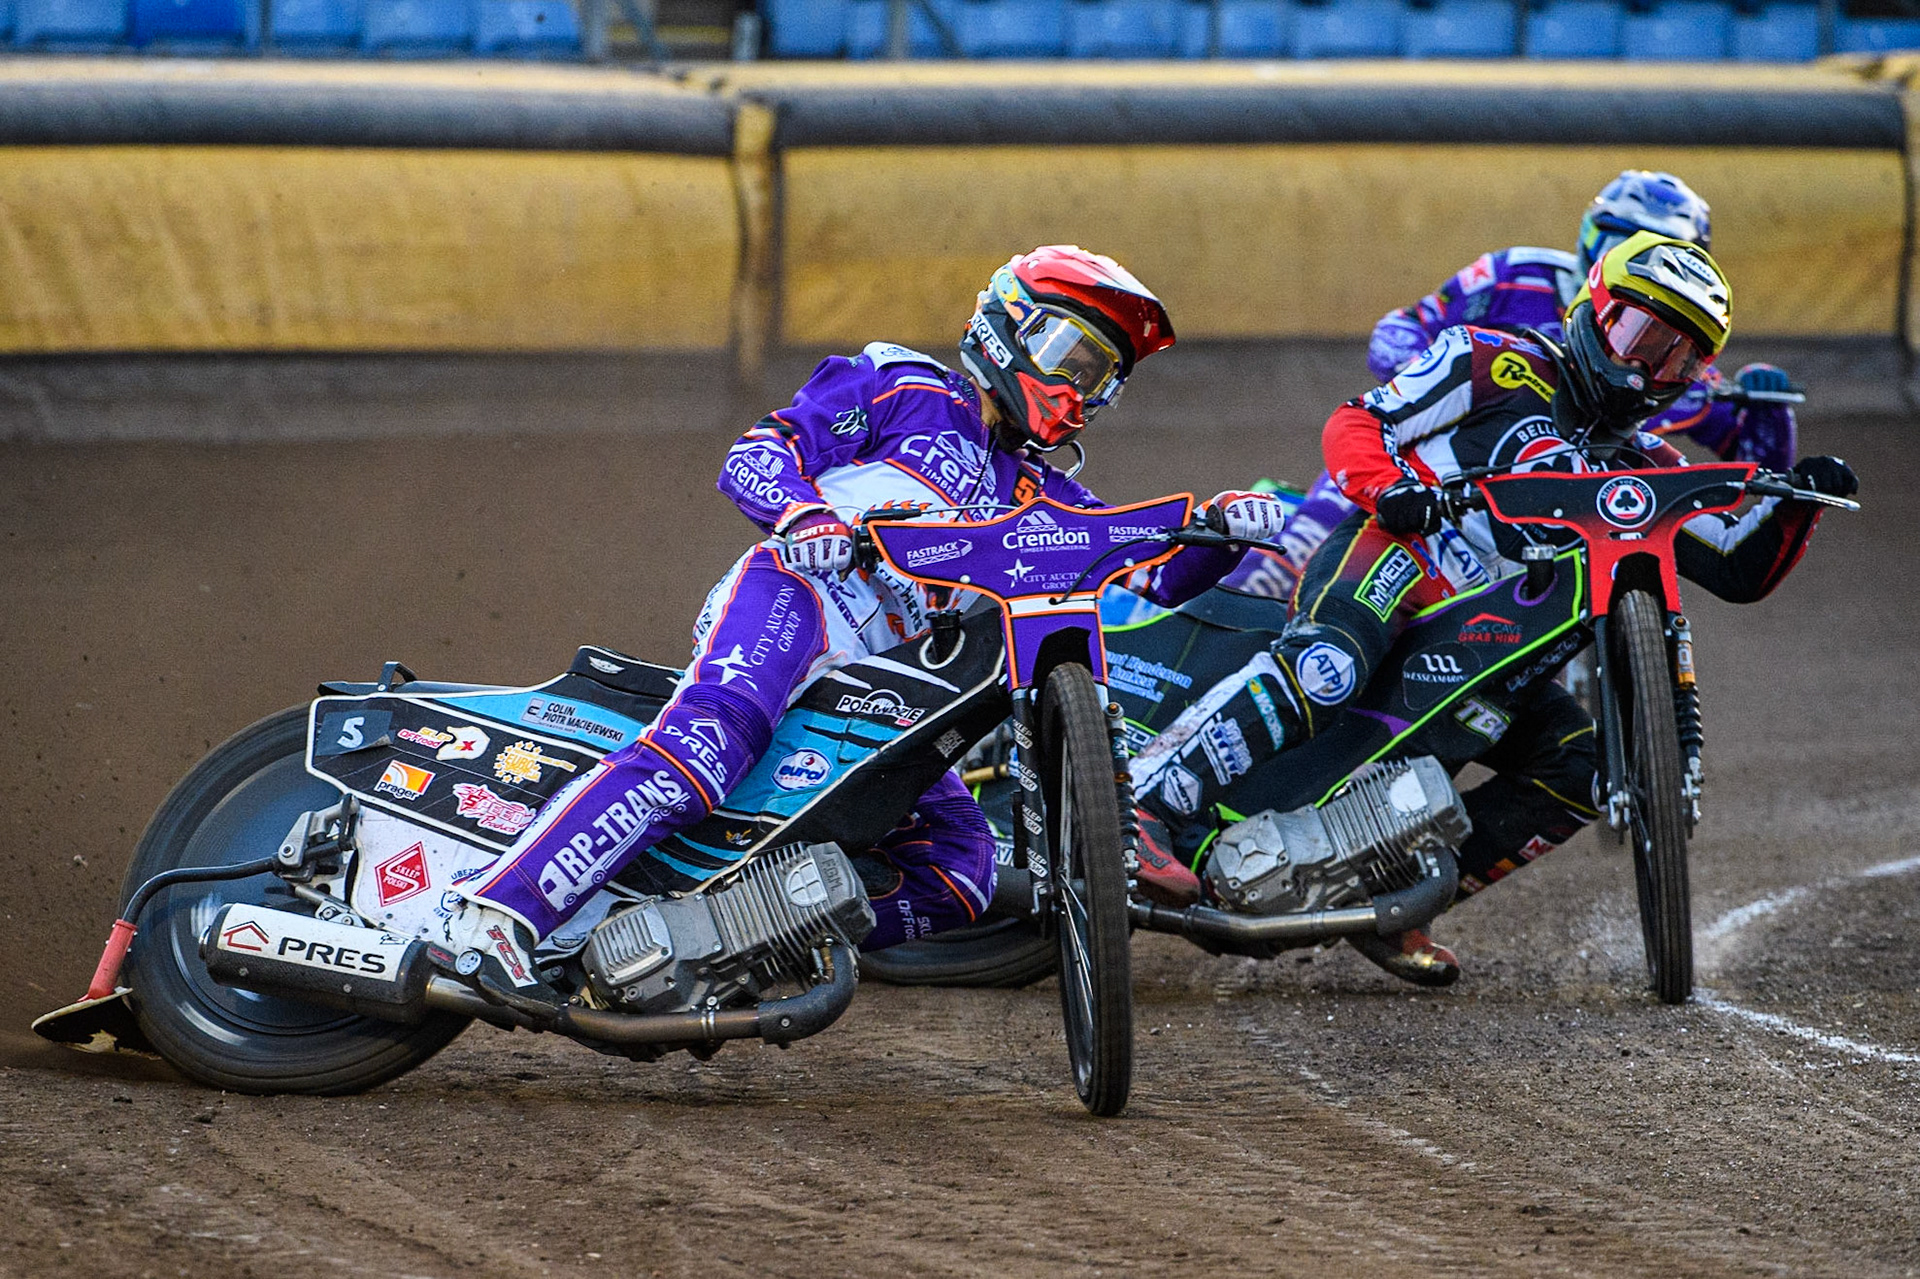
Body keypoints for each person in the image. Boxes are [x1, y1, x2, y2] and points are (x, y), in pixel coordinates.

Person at [440, 246, 1289, 997]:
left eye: (1104, 380)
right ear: (1009, 326)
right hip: (796, 598)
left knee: (962, 868)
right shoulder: (903, 384)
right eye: (1073, 357)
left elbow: (1152, 573)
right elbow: (758, 453)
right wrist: (803, 515)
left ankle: (721, 934)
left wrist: (1223, 532)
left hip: (882, 685)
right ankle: (495, 913)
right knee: (704, 753)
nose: (1081, 394)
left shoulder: (1048, 495)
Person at [1127, 232, 1857, 988]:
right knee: (1327, 664)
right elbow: (1357, 421)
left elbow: (1736, 565)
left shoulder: (1645, 467)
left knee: (1583, 767)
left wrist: (1799, 503)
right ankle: (1146, 806)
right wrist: (1390, 489)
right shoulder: (1491, 358)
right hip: (1401, 557)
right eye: (1640, 336)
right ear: (1594, 309)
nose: (1648, 369)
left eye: (1677, 358)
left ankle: (1392, 896)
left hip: (1496, 643)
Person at [1210, 172, 1800, 610]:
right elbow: (1400, 327)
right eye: (1619, 236)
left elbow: (1757, 462)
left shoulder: (1676, 364)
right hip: (1430, 458)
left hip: (1559, 521)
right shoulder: (1514, 272)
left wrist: (1771, 411)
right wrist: (1434, 376)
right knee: (1286, 561)